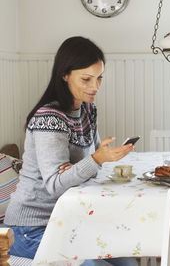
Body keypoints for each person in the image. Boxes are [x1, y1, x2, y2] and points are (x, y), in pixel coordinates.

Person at [4, 36, 137, 266]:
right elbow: (56, 185)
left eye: (99, 78)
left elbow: (87, 171)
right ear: (64, 75)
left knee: (126, 260)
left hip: (68, 219)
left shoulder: (87, 109)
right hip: (29, 228)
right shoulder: (49, 118)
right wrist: (93, 160)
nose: (95, 86)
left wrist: (82, 166)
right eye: (86, 79)